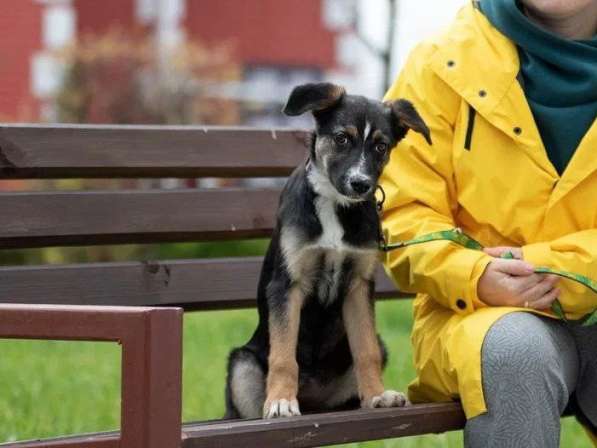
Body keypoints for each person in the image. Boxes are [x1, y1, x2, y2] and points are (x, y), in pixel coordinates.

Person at [380, 0, 597, 446]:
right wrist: (472, 275)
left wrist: (542, 267)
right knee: (516, 351)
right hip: (474, 315)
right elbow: (398, 214)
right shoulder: (439, 64)